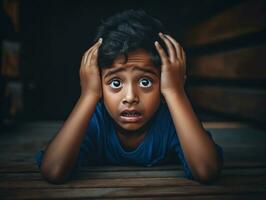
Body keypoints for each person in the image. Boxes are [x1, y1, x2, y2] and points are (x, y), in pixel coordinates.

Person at [36, 9, 223, 184]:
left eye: (145, 82)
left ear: (165, 82)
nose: (131, 97)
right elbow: (53, 170)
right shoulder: (95, 121)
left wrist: (176, 92)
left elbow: (206, 170)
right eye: (116, 83)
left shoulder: (172, 122)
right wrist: (88, 95)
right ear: (98, 84)